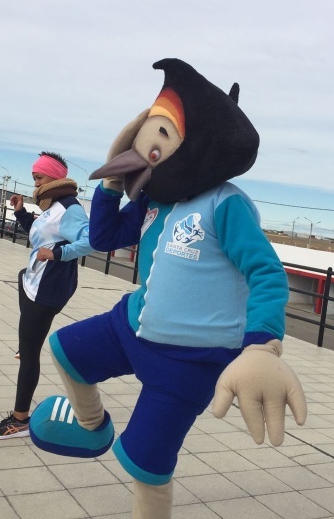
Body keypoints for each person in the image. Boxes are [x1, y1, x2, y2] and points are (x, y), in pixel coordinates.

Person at [28, 59, 306, 518]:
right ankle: (91, 425)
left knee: (146, 466)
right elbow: (102, 238)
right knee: (64, 350)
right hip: (132, 324)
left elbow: (267, 274)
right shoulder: (157, 199)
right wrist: (114, 184)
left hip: (190, 358)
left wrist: (261, 346)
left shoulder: (226, 204)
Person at [0, 152, 94, 439]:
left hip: (50, 287)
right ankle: (26, 341)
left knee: (30, 355)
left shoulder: (70, 208)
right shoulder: (51, 205)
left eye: (39, 177)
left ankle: (19, 420)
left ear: (55, 177)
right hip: (36, 280)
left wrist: (58, 253)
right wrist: (21, 212)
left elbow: (91, 241)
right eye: (34, 177)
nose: (35, 183)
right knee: (22, 276)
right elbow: (38, 237)